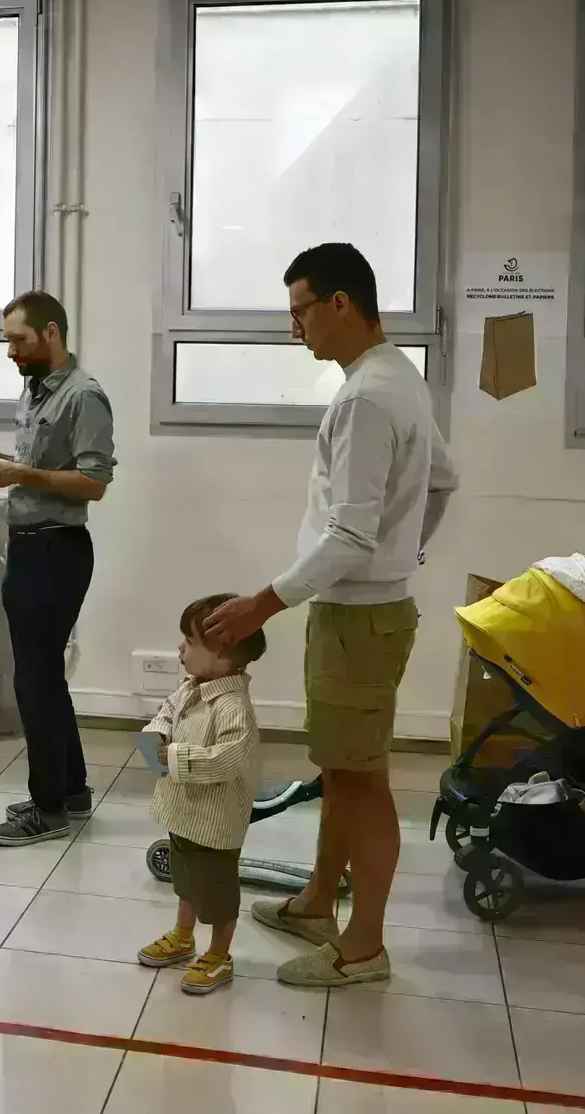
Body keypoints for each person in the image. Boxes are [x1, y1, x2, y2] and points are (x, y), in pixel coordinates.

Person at [204, 242, 457, 990]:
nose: (295, 329)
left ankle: (364, 947)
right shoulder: (396, 377)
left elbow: (349, 534)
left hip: (357, 619)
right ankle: (318, 903)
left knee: (362, 781)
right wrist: (404, 553)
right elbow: (444, 481)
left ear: (340, 303)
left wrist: (263, 603)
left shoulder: (365, 399)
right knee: (341, 771)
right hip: (364, 609)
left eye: (301, 312)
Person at [0, 290, 117, 847]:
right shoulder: (35, 389)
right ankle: (69, 791)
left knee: (34, 682)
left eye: (18, 341)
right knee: (43, 677)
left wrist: (21, 474)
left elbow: (94, 481)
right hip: (29, 547)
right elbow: (41, 468)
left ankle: (47, 810)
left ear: (51, 333)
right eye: (6, 342)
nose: (11, 352)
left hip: (55, 550)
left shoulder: (83, 396)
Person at [136, 594, 265, 995]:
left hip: (214, 822)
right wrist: (158, 733)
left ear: (224, 656)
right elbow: (166, 712)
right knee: (186, 878)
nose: (180, 649)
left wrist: (174, 756)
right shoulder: (190, 687)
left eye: (189, 642)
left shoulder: (233, 708)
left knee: (217, 891)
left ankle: (220, 954)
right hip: (183, 811)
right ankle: (183, 935)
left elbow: (229, 760)